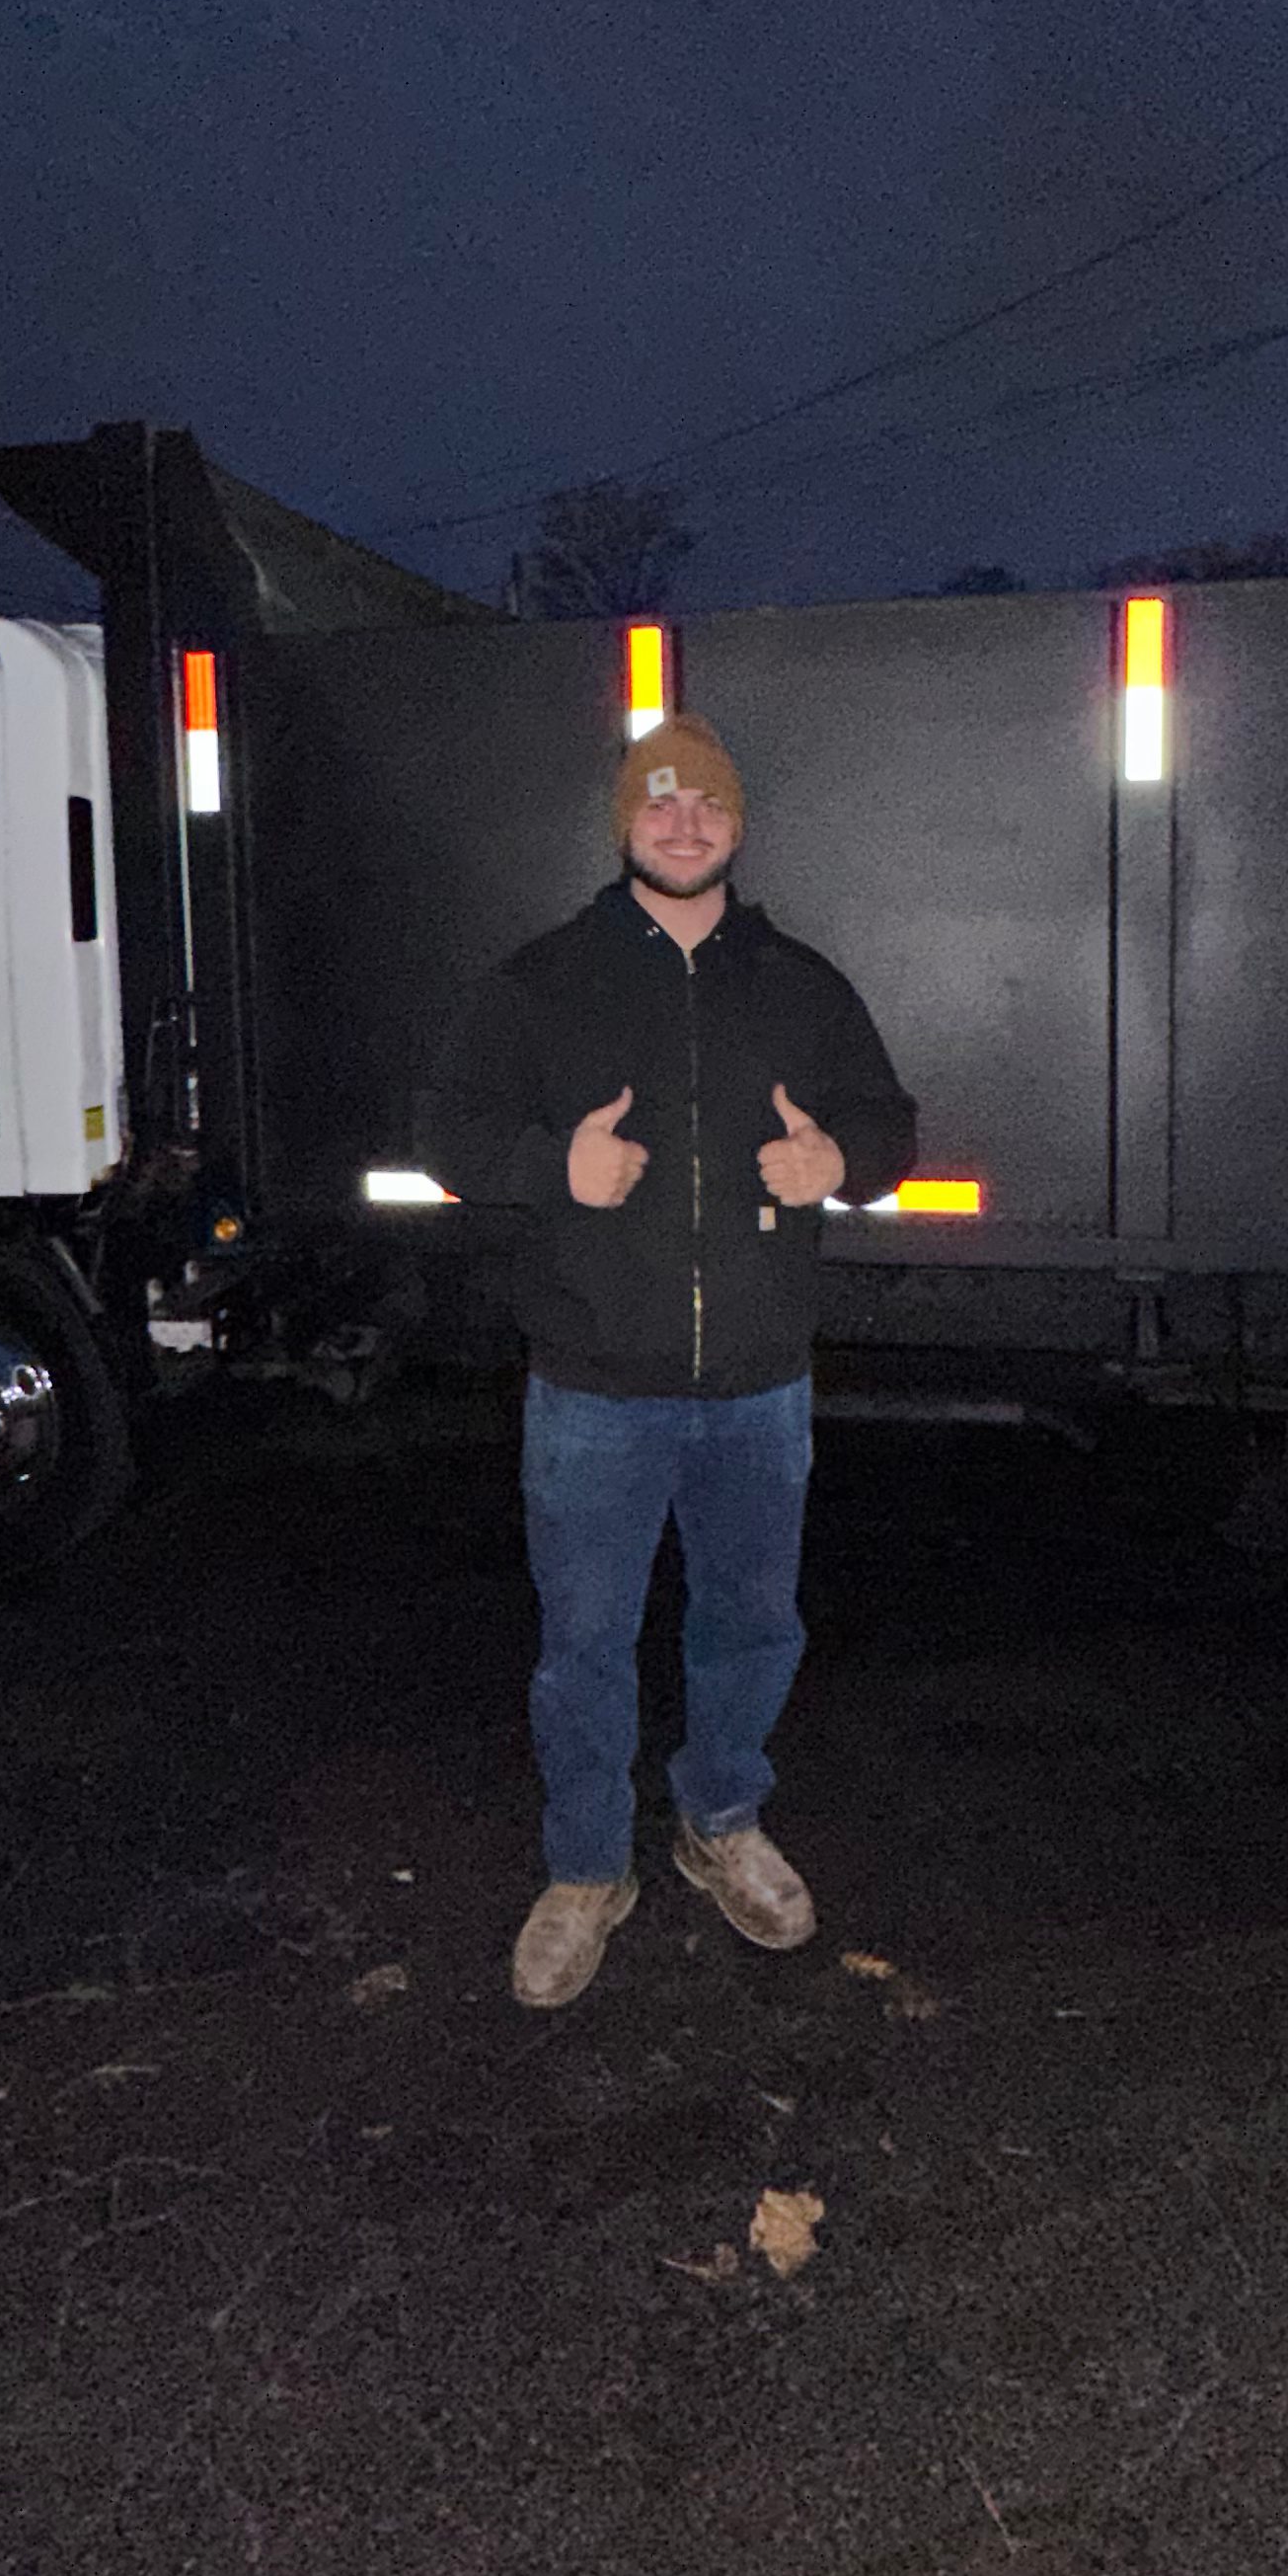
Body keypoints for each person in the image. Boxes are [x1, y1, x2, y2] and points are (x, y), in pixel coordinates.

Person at [422, 710, 917, 2010]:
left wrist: (842, 1165)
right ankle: (588, 1866)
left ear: (738, 825)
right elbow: (450, 1131)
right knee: (583, 1638)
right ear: (625, 821)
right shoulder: (543, 981)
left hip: (760, 1383)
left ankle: (720, 1824)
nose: (684, 820)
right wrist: (553, 1170)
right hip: (593, 1388)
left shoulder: (801, 985)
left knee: (751, 1621)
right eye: (659, 800)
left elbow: (886, 1120)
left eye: (707, 802)